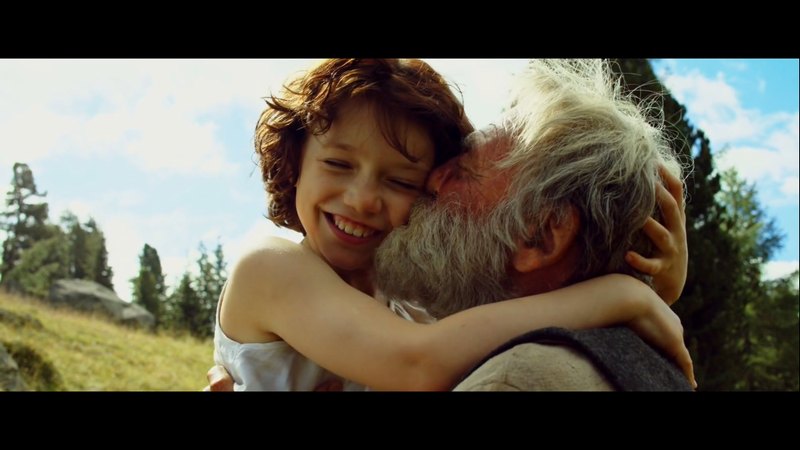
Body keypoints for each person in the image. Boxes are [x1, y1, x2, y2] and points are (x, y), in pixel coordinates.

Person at [213, 58, 693, 391]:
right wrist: (626, 296)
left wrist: (646, 289)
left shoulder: (414, 312)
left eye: (402, 180)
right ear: (297, 161)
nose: (362, 199)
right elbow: (420, 361)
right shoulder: (271, 266)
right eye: (338, 164)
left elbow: (442, 347)